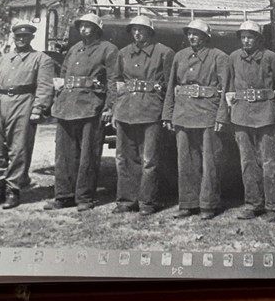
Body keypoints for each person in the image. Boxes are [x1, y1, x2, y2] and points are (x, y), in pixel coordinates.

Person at [0, 22, 55, 209]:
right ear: (14, 38)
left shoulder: (41, 59)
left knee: (19, 148)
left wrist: (38, 108)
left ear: (31, 38)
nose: (21, 39)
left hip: (23, 101)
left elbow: (45, 86)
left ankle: (13, 190)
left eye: (25, 37)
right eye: (18, 37)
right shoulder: (1, 60)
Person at [47, 12, 119, 212]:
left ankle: (85, 197)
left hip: (91, 106)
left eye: (87, 26)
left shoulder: (108, 49)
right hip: (67, 106)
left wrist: (110, 107)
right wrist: (58, 100)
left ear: (97, 29)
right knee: (64, 154)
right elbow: (63, 76)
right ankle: (63, 195)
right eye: (81, 25)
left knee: (89, 154)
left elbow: (113, 80)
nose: (83, 29)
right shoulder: (74, 49)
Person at [219, 21, 275, 222]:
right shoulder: (233, 58)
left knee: (269, 162)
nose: (246, 40)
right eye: (243, 37)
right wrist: (227, 114)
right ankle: (253, 204)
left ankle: (274, 205)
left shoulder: (271, 58)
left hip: (265, 114)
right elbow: (228, 88)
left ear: (259, 38)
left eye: (250, 36)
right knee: (247, 162)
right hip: (241, 115)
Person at [162, 20, 228, 220]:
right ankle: (188, 203)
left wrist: (222, 116)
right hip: (183, 113)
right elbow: (171, 86)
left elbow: (226, 89)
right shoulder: (180, 56)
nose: (192, 37)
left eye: (196, 34)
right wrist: (168, 113)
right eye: (189, 33)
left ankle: (208, 204)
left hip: (208, 113)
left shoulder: (219, 57)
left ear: (206, 36)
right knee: (185, 161)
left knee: (210, 162)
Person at [112, 16, 174, 215]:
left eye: (142, 30)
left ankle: (147, 201)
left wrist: (167, 113)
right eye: (134, 30)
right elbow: (116, 81)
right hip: (125, 109)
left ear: (150, 32)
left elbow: (170, 86)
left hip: (151, 110)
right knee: (124, 158)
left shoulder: (164, 53)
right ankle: (126, 200)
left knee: (149, 159)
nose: (137, 33)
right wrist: (114, 109)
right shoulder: (123, 53)